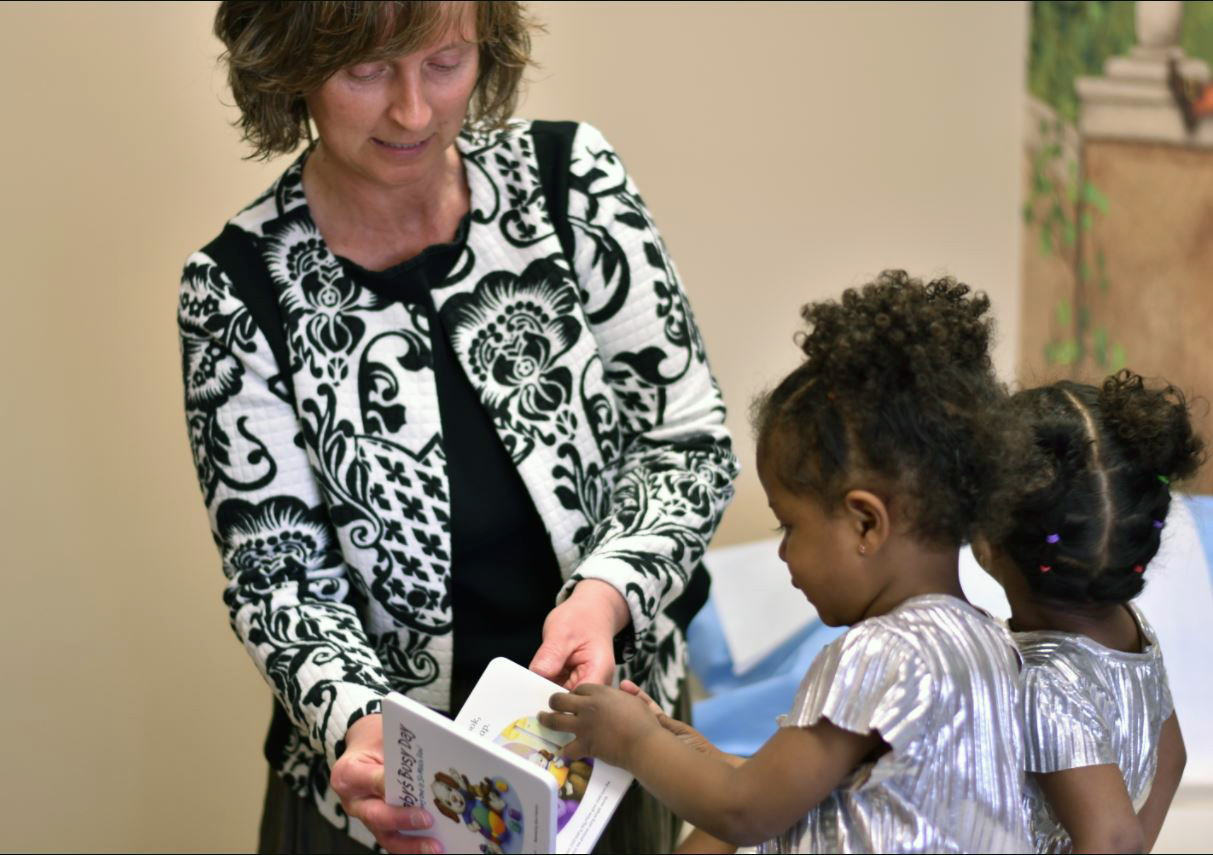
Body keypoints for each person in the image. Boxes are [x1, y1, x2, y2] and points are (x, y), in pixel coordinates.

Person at [178, 2, 738, 853]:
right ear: (287, 65)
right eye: (365, 70)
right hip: (383, 804)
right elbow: (279, 576)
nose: (412, 111)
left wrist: (604, 596)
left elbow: (685, 437)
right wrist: (368, 733)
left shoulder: (567, 180)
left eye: (444, 62)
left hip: (609, 752)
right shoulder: (234, 288)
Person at [540, 272, 1032, 853]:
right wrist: (683, 749)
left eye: (789, 525)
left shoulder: (878, 654)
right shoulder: (990, 641)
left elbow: (745, 811)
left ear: (866, 523)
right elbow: (814, 792)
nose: (782, 551)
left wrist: (633, 745)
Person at [971, 370, 1202, 853]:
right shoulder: (1131, 630)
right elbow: (1173, 756)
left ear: (989, 538)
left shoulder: (1040, 682)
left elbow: (1113, 841)